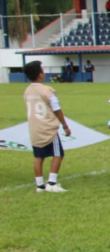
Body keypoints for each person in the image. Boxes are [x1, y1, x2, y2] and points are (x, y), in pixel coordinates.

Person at [23, 60, 71, 193]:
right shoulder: (47, 90)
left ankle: (39, 185)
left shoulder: (27, 91)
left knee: (38, 156)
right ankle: (52, 183)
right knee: (58, 154)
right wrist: (65, 125)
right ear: (40, 74)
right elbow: (56, 109)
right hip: (48, 128)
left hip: (34, 128)